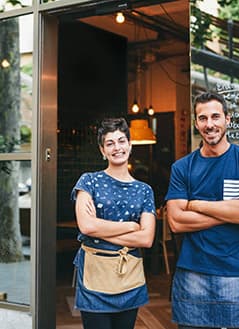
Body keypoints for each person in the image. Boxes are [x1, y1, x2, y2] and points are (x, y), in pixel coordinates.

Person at [165, 91, 239, 329]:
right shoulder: (182, 167)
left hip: (238, 274)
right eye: (202, 118)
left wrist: (197, 205)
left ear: (227, 119)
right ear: (196, 123)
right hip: (193, 275)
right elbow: (177, 222)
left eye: (215, 117)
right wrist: (233, 214)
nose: (209, 124)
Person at [71, 117, 156, 329]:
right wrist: (131, 226)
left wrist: (100, 227)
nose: (116, 147)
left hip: (129, 275)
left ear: (130, 145)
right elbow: (86, 226)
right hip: (95, 273)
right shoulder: (88, 181)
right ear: (102, 150)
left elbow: (146, 239)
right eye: (110, 143)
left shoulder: (144, 190)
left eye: (121, 141)